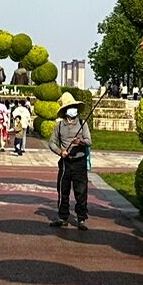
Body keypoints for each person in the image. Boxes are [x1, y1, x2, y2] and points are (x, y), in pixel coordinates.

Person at [47, 95, 92, 230]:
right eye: (70, 107)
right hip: (66, 162)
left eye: (75, 107)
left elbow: (89, 141)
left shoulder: (83, 123)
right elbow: (52, 142)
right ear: (65, 110)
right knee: (63, 190)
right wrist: (60, 152)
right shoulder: (59, 125)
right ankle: (63, 217)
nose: (73, 110)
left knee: (81, 191)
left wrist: (80, 142)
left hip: (79, 162)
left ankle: (81, 218)